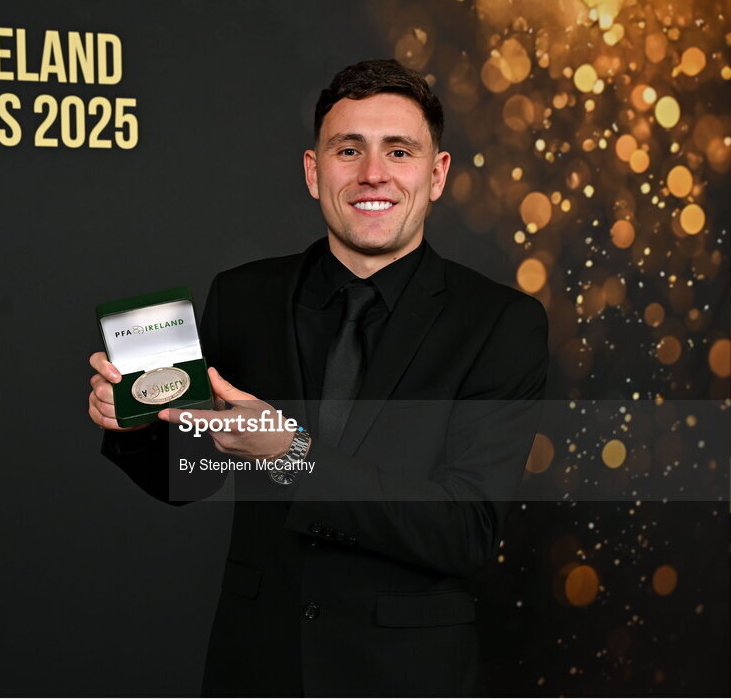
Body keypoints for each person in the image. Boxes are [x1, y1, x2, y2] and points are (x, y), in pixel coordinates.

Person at [87, 59, 547, 696]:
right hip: (255, 668)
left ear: (436, 174)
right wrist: (133, 422)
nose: (372, 174)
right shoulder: (242, 295)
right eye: (348, 149)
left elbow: (465, 531)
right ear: (313, 171)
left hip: (404, 677)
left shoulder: (502, 323)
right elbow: (190, 475)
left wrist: (292, 455)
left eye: (400, 150)